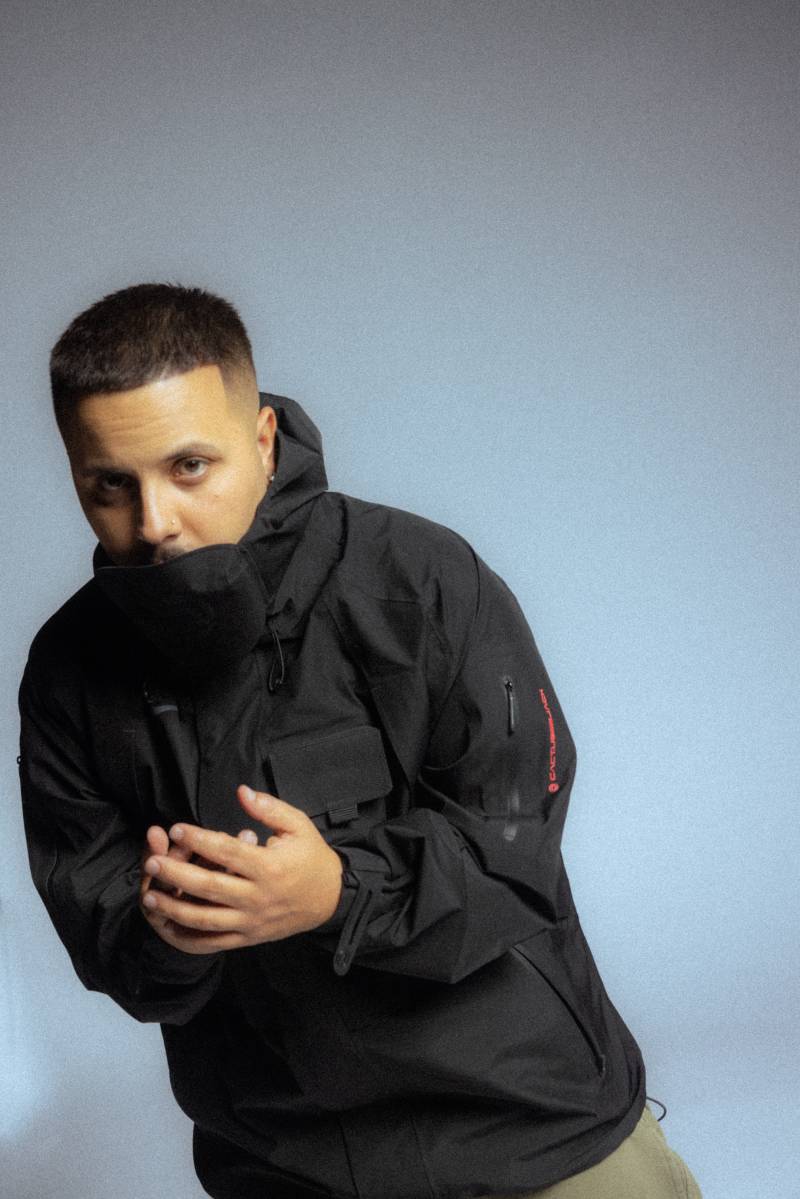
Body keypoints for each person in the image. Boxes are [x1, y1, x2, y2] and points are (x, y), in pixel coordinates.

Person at [18, 283, 702, 1199]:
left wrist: (336, 892)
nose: (154, 523)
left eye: (190, 467)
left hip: (530, 1128)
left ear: (263, 441)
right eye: (111, 484)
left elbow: (514, 851)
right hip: (282, 1158)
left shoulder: (426, 579)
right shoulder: (66, 671)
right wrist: (171, 930)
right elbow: (106, 936)